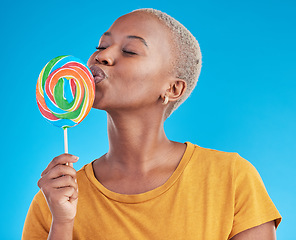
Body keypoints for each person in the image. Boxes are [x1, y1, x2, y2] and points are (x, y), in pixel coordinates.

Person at [22, 8, 281, 240]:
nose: (102, 57)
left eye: (130, 51)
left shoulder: (231, 178)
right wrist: (63, 223)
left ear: (172, 88)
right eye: (101, 46)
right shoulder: (54, 198)